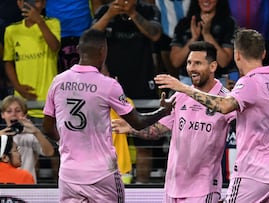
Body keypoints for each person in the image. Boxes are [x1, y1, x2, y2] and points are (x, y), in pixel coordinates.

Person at [155, 28, 269, 202]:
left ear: (237, 55)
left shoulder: (249, 82)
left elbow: (223, 106)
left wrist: (183, 88)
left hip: (254, 173)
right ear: (264, 53)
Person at [42, 29, 174, 202]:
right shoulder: (108, 85)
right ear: (103, 51)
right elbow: (139, 122)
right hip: (102, 174)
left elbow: (47, 128)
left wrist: (65, 143)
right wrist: (164, 111)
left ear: (79, 50)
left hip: (69, 173)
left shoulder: (58, 81)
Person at [113, 41, 235, 202]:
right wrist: (130, 127)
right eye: (189, 63)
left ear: (212, 67)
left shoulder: (225, 100)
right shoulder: (180, 96)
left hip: (204, 189)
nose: (191, 68)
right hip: (172, 187)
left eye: (198, 63)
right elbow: (157, 130)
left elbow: (246, 133)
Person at [92, 0, 165, 184]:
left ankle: (142, 188)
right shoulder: (104, 10)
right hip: (110, 85)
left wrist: (132, 13)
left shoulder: (148, 10)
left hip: (142, 83)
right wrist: (109, 15)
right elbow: (90, 38)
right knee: (106, 142)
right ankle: (110, 186)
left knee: (144, 143)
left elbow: (155, 34)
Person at [3, 0, 60, 120]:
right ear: (19, 3)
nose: (32, 5)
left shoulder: (52, 23)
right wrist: (17, 87)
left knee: (46, 138)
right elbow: (8, 61)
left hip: (47, 101)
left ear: (44, 3)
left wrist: (39, 21)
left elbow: (54, 47)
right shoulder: (11, 30)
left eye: (37, 1)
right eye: (27, 1)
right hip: (20, 105)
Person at [170, 0, 237, 86]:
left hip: (218, 80)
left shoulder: (229, 23)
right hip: (188, 80)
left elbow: (223, 62)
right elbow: (175, 62)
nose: (206, 0)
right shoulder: (184, 23)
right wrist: (193, 38)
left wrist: (207, 34)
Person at [0, 95, 54, 183]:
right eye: (9, 111)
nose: (13, 114)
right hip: (3, 185)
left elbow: (49, 152)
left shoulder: (31, 136)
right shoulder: (1, 137)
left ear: (24, 114)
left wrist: (36, 132)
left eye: (18, 111)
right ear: (3, 115)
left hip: (27, 185)